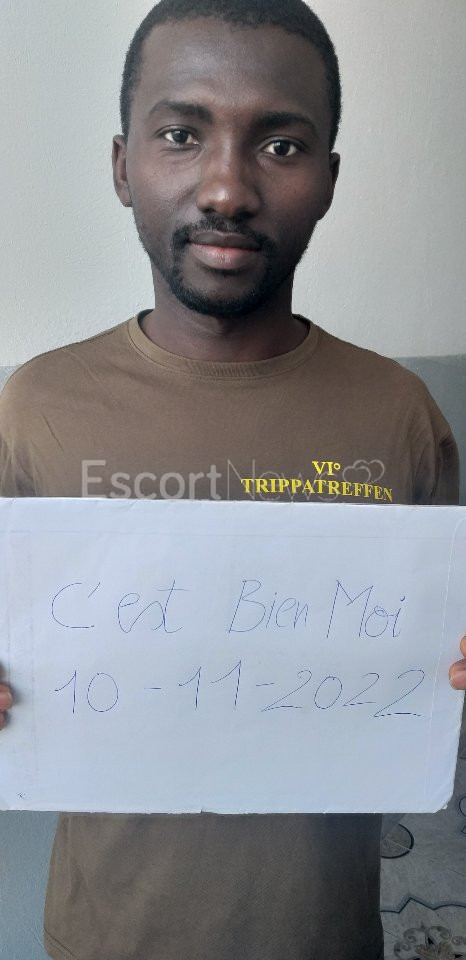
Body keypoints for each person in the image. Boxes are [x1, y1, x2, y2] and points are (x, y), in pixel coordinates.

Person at [0, 1, 465, 958]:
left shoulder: (399, 413)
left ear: (329, 180)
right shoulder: (35, 405)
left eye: (281, 146)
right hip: (104, 937)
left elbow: (439, 660)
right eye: (182, 134)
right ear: (123, 165)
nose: (227, 188)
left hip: (324, 936)